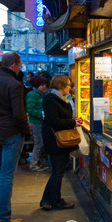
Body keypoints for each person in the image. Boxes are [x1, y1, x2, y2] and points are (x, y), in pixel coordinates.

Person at [40, 75, 83, 211]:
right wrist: (73, 122)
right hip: (55, 140)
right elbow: (54, 121)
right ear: (61, 86)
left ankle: (46, 200)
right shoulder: (51, 100)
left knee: (57, 171)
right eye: (68, 85)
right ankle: (57, 201)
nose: (70, 88)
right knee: (58, 171)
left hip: (57, 139)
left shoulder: (60, 98)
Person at [0, 52, 31, 222]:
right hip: (11, 134)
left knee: (0, 174)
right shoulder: (15, 84)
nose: (20, 69)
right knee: (5, 175)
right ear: (14, 65)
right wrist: (26, 132)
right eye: (19, 65)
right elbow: (19, 115)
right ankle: (3, 218)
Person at [26, 76, 50, 172]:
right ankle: (34, 165)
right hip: (36, 123)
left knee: (40, 143)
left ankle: (38, 162)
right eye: (42, 85)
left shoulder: (41, 94)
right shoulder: (32, 94)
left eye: (45, 85)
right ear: (36, 86)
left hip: (40, 122)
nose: (44, 87)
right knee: (39, 143)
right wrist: (43, 115)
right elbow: (31, 110)